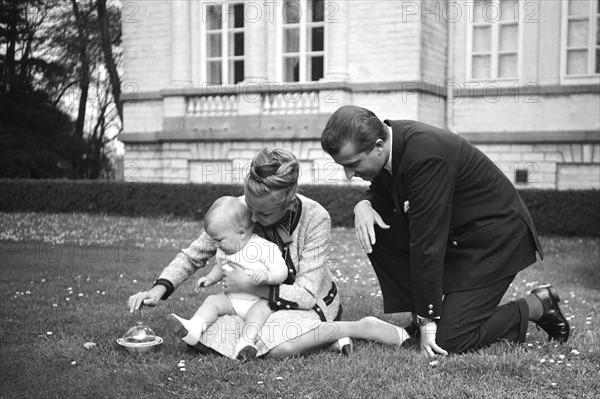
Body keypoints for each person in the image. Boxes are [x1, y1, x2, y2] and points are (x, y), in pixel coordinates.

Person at [320, 105, 570, 356]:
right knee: (375, 225)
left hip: (494, 241)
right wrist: (364, 205)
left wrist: (429, 318)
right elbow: (384, 185)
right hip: (462, 236)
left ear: (377, 146)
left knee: (449, 342)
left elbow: (427, 243)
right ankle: (422, 318)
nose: (349, 175)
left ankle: (538, 305)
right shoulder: (393, 142)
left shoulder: (425, 156)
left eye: (353, 164)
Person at [128, 147, 411, 359]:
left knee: (282, 347)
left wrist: (252, 286)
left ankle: (361, 328)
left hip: (306, 305)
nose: (251, 217)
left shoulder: (316, 218)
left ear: (287, 203)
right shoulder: (240, 211)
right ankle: (321, 339)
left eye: (262, 212)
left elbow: (306, 294)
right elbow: (195, 254)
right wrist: (160, 288)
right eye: (249, 207)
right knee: (210, 335)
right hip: (252, 305)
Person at [166, 196, 289, 360]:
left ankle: (245, 343)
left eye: (219, 240)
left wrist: (268, 276)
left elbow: (281, 270)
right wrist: (210, 278)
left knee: (259, 312)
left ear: (241, 232)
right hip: (232, 299)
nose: (216, 245)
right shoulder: (224, 250)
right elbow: (220, 266)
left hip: (258, 299)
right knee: (212, 301)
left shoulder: (263, 247)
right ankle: (194, 328)